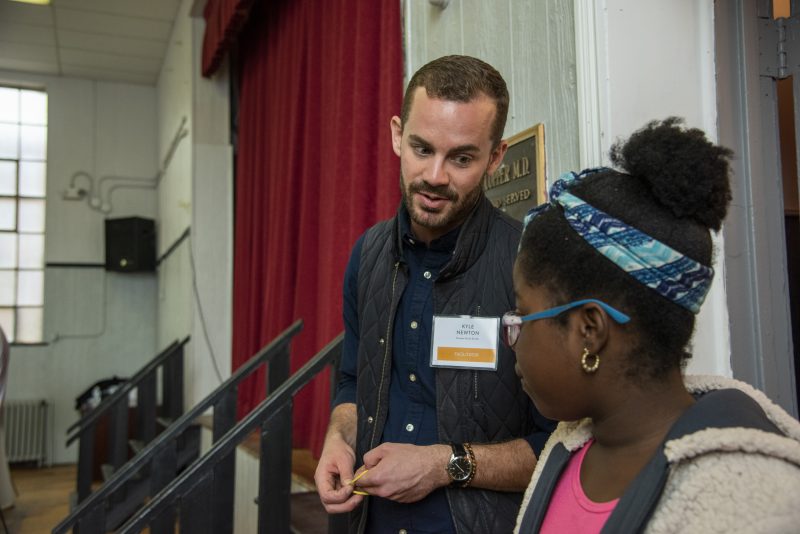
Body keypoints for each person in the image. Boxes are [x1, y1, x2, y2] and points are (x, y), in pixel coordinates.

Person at [508, 117, 800, 533]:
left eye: (521, 314)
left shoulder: (754, 505)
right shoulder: (566, 447)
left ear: (589, 329)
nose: (513, 337)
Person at [314, 55, 555, 533]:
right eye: (422, 149)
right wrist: (339, 440)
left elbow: (563, 445)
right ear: (397, 134)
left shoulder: (535, 265)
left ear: (496, 157)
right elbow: (349, 383)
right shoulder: (367, 255)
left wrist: (445, 464)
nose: (435, 177)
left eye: (462, 158)